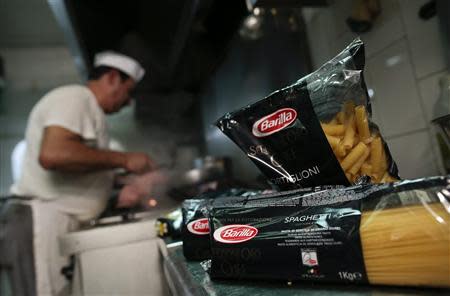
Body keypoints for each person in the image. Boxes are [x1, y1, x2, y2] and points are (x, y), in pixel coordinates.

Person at [4, 51, 153, 295]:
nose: (129, 102)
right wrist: (125, 160)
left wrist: (117, 181)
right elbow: (53, 154)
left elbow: (77, 164)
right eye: (129, 91)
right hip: (40, 222)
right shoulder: (75, 97)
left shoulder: (87, 108)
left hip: (51, 222)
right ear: (113, 77)